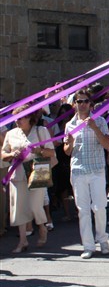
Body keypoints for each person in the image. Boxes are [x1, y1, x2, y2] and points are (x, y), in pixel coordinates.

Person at [63, 90, 109, 259]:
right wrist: (69, 144)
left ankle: (102, 239)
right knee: (83, 210)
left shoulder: (100, 120)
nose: (82, 104)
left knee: (99, 207)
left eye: (85, 101)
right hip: (78, 170)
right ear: (74, 104)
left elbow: (107, 144)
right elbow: (67, 151)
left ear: (90, 104)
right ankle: (88, 245)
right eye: (79, 101)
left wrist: (94, 127)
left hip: (96, 169)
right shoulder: (70, 125)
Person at [1, 106, 55, 253]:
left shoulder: (41, 131)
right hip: (17, 173)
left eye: (20, 118)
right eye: (16, 118)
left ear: (29, 118)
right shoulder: (11, 134)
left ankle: (42, 226)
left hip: (38, 171)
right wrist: (12, 154)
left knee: (35, 205)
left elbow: (51, 152)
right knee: (18, 207)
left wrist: (38, 150)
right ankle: (22, 241)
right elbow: (3, 154)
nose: (17, 121)